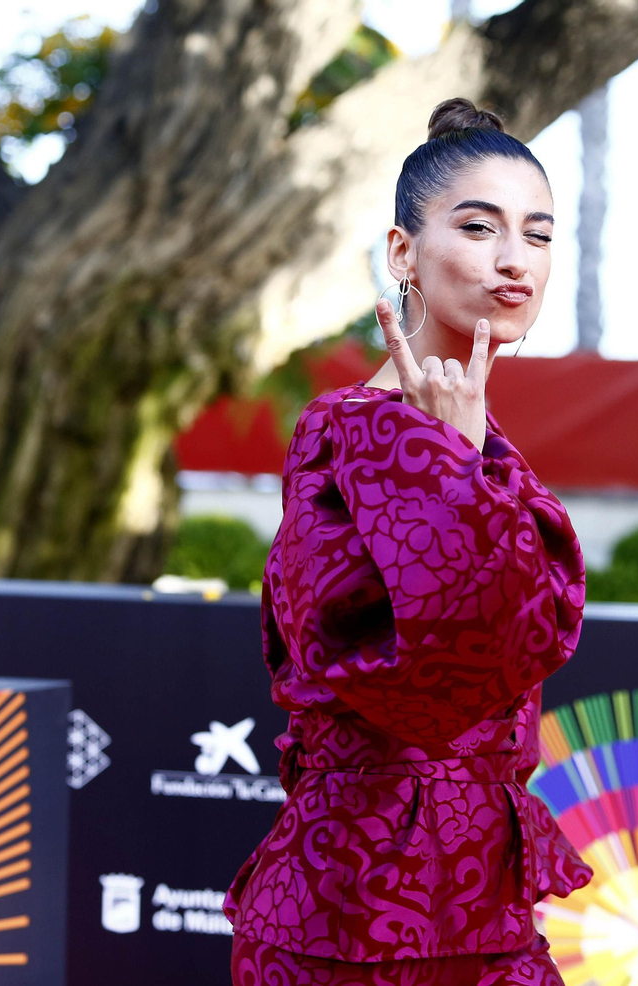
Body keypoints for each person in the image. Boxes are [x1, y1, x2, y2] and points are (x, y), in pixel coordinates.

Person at [223, 97, 591, 986]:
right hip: (345, 919)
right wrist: (456, 464)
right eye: (479, 227)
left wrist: (464, 458)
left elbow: (533, 635)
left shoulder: (489, 450)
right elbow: (422, 684)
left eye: (539, 237)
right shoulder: (341, 435)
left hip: (487, 913)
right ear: (402, 254)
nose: (515, 261)